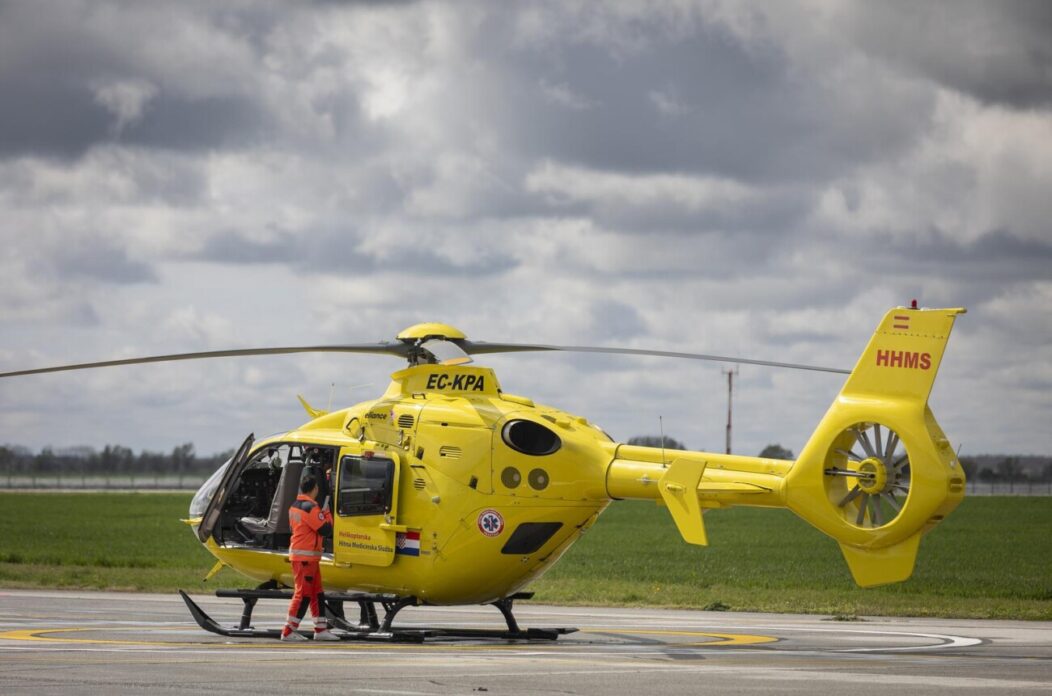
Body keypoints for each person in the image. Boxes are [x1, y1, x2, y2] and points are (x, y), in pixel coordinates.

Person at [280, 474, 338, 641]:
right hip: (305, 558)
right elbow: (325, 530)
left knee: (316, 592)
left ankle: (320, 629)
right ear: (315, 489)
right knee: (303, 594)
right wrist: (327, 513)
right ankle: (288, 631)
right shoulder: (310, 507)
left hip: (305, 557)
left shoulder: (295, 505)